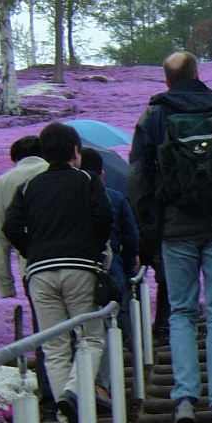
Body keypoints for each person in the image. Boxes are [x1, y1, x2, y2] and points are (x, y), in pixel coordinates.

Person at [128, 51, 212, 423]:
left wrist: (149, 225)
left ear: (166, 81)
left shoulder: (153, 116)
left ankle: (184, 400)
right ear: (198, 73)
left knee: (182, 313)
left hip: (176, 228)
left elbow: (138, 176)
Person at [2, 123, 112, 423]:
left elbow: (11, 227)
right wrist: (92, 251)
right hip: (79, 267)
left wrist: (32, 251)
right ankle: (74, 393)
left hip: (40, 272)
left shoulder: (29, 186)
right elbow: (104, 217)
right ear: (76, 151)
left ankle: (67, 415)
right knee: (91, 338)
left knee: (54, 346)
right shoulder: (87, 180)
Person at [0, 134, 55, 420]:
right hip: (74, 260)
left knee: (44, 332)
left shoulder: (4, 182)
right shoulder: (57, 172)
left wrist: (6, 284)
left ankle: (49, 398)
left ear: (14, 158)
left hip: (32, 267)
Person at [80, 147, 139, 409]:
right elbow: (131, 236)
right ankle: (110, 379)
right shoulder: (115, 197)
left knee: (87, 329)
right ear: (102, 174)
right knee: (113, 324)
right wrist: (129, 265)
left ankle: (89, 384)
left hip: (78, 270)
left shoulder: (71, 198)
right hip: (112, 270)